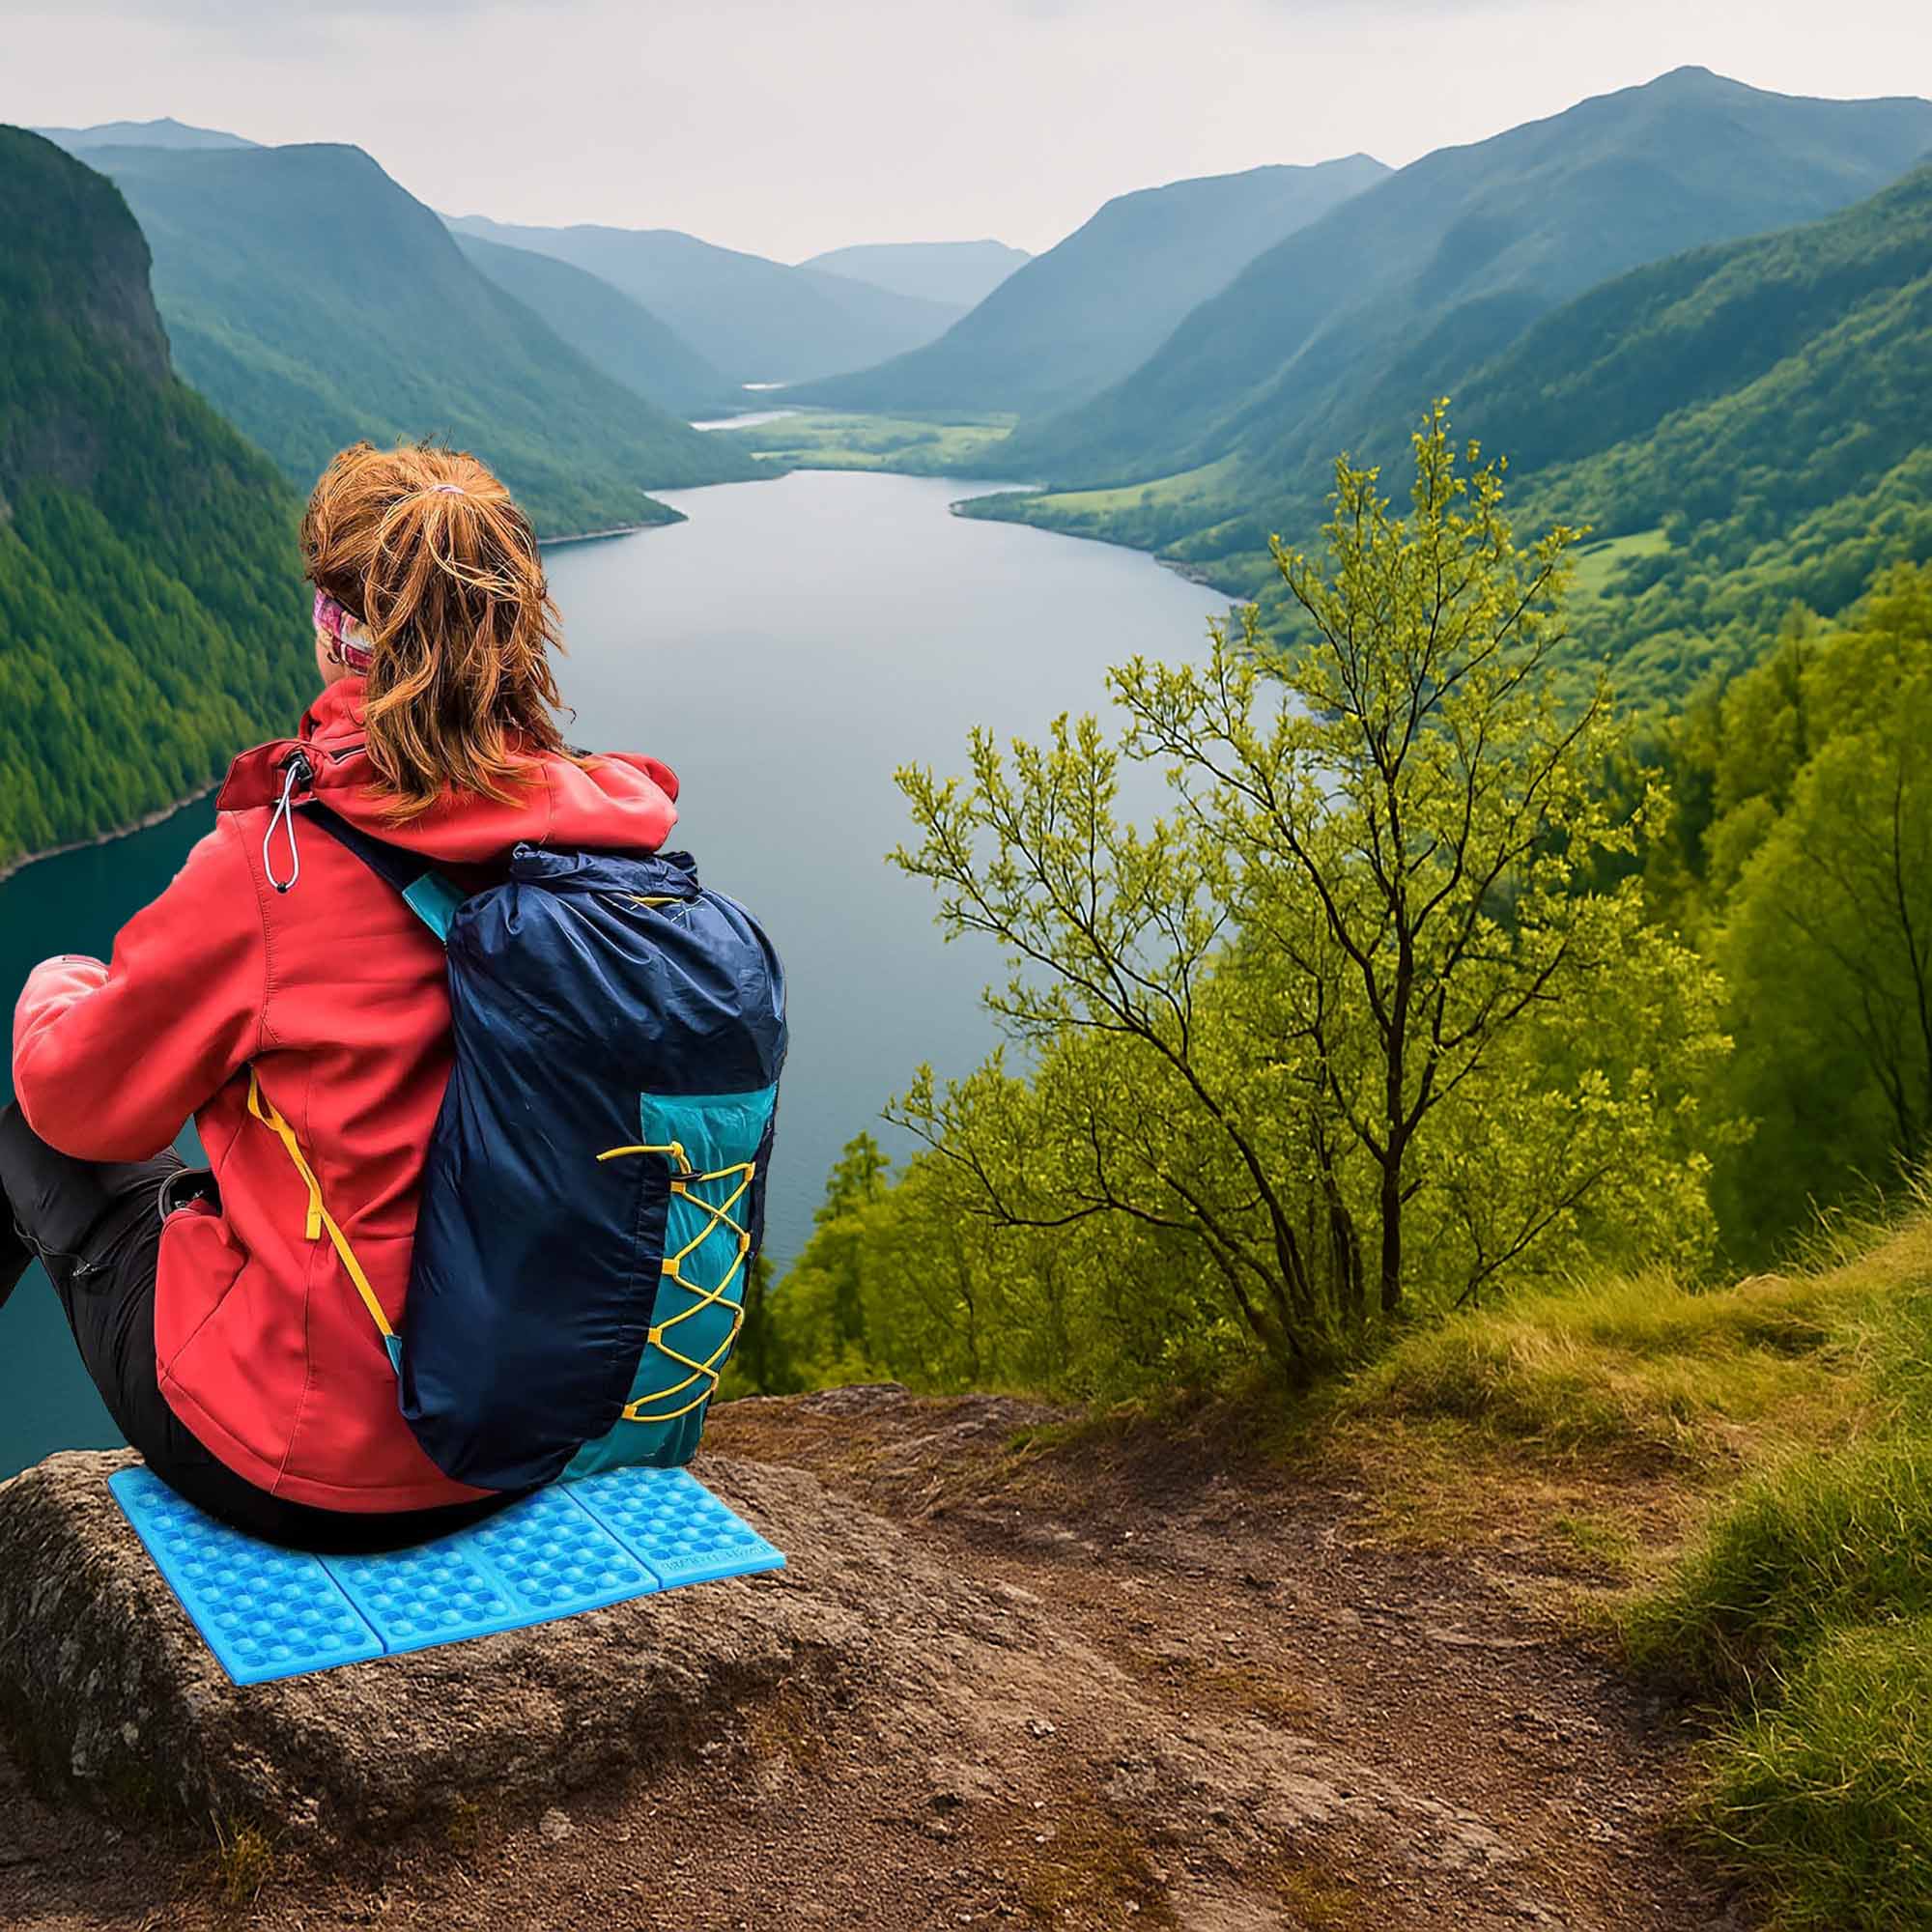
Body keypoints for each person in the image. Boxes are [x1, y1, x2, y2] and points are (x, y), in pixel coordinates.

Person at [1, 441, 680, 1551]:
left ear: (336, 627)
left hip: (308, 1461)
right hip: (535, 1429)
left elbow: (84, 1108)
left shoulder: (272, 867)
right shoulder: (610, 843)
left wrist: (55, 983)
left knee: (23, 1140)